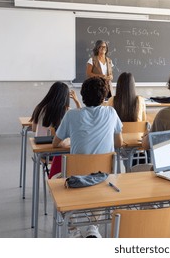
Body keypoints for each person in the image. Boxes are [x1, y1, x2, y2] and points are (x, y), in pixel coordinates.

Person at [53, 76, 123, 238]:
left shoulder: (71, 115)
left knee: (55, 179)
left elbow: (56, 143)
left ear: (83, 96)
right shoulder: (111, 112)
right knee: (99, 183)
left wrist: (70, 142)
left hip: (75, 176)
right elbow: (118, 143)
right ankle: (93, 226)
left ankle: (73, 229)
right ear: (104, 96)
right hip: (104, 175)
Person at [30, 82, 81, 179]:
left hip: (43, 153)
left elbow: (33, 129)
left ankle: (58, 177)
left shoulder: (40, 108)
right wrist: (77, 102)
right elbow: (81, 120)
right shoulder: (67, 110)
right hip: (62, 153)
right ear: (65, 97)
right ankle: (64, 177)